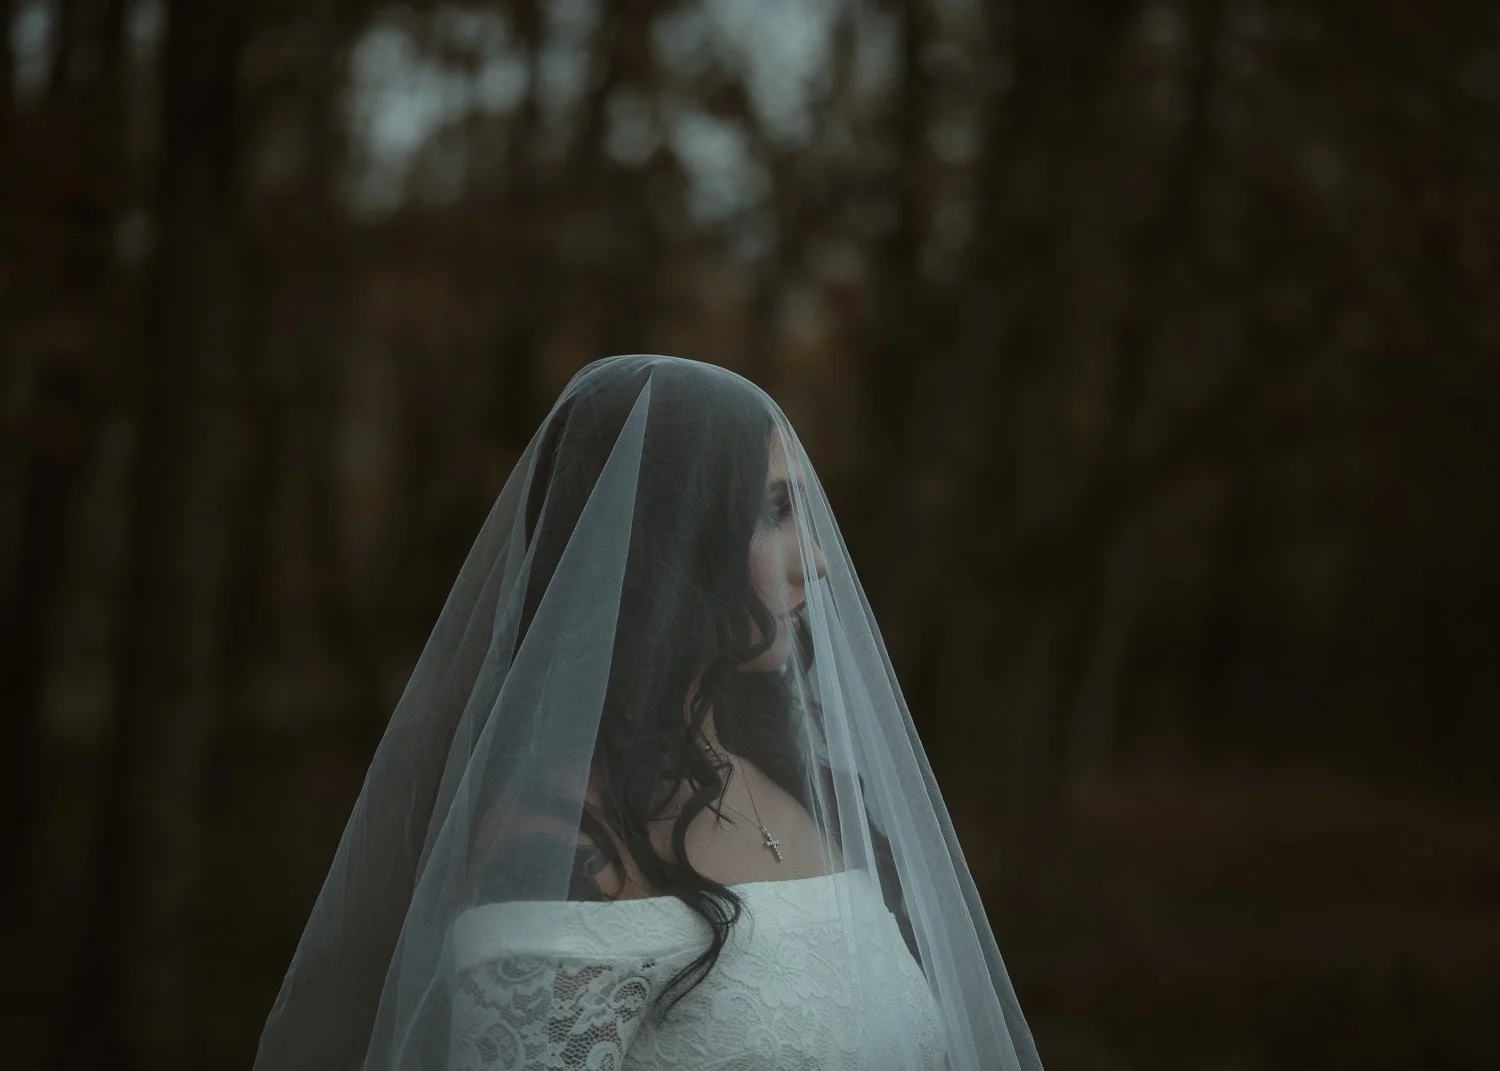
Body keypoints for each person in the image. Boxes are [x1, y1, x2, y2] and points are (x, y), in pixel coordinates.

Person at [253, 355, 1043, 1071]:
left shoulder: (805, 784)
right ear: (670, 534)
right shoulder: (556, 846)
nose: (821, 559)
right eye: (774, 511)